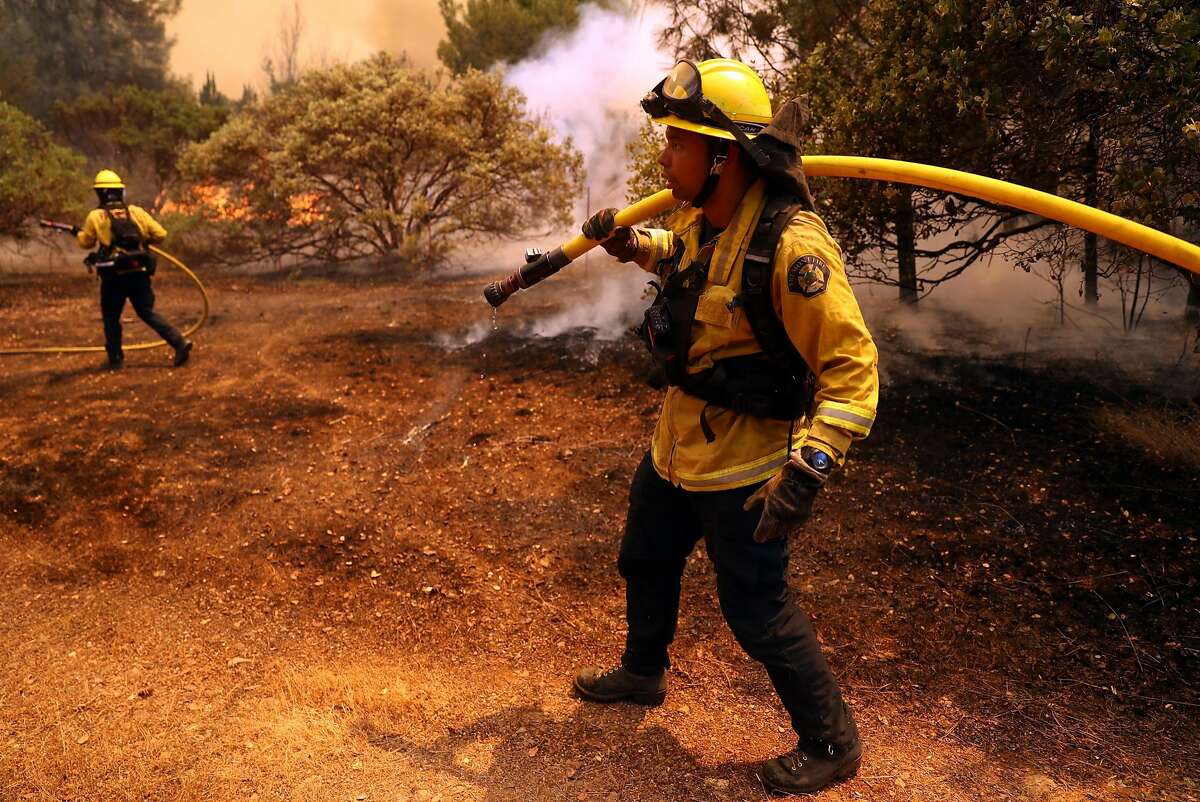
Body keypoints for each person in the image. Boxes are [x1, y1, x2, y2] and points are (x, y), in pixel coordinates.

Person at [571, 59, 879, 795]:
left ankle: (831, 742)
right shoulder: (703, 217)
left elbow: (853, 369)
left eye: (677, 143)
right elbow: (682, 256)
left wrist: (808, 472)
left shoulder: (795, 248)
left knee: (756, 611)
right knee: (644, 557)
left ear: (724, 156)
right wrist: (629, 246)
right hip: (675, 449)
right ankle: (643, 672)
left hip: (747, 469)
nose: (663, 157)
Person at [76, 169, 192, 369]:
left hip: (114, 276)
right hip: (139, 272)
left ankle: (115, 358)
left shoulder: (96, 216)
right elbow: (161, 235)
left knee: (111, 316)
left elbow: (86, 243)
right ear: (121, 191)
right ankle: (179, 343)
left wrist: (79, 234)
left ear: (100, 193)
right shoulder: (136, 212)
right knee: (146, 312)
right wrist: (142, 240)